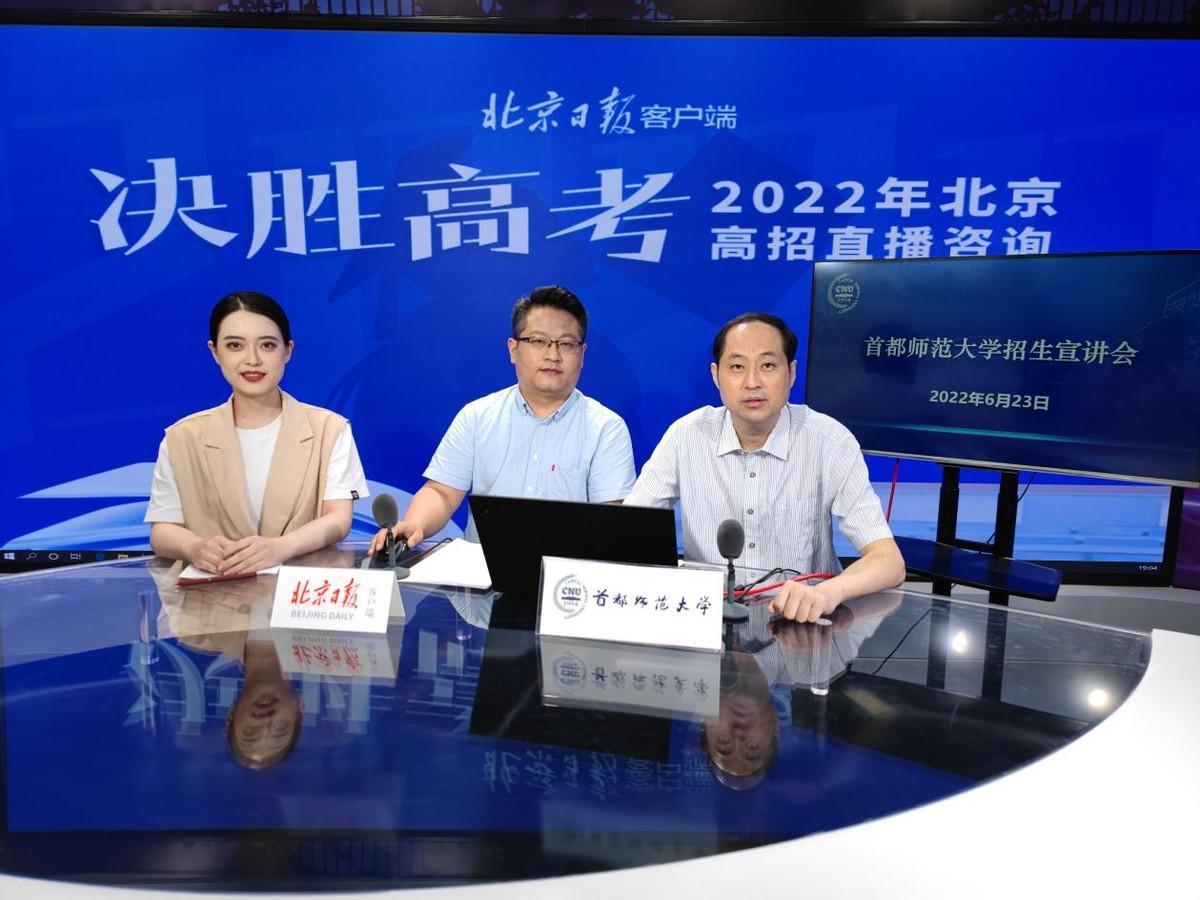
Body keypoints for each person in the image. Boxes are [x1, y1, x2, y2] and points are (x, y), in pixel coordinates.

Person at [626, 312, 905, 623]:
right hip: (707, 622)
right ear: (716, 376)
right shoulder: (685, 436)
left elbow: (888, 561)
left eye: (768, 366)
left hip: (802, 627)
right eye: (737, 367)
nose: (752, 382)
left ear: (791, 373)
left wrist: (829, 592)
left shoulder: (829, 441)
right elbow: (627, 533)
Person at [369, 285, 635, 553]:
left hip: (566, 575)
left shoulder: (606, 428)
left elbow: (609, 521)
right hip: (483, 573)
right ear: (513, 349)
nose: (552, 355)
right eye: (538, 341)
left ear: (582, 354)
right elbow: (442, 493)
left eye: (566, 344)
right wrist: (414, 525)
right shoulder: (476, 416)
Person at [146, 291, 368, 576]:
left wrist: (280, 548)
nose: (252, 359)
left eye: (267, 345)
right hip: (214, 594)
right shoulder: (182, 438)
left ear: (287, 351)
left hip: (299, 595)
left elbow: (338, 519)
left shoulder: (330, 429)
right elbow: (162, 531)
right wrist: (195, 547)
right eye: (235, 345)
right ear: (215, 352)